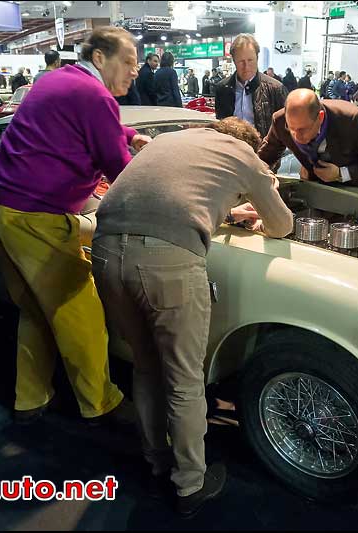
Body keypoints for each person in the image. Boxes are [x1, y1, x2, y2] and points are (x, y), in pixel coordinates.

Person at [92, 117, 292, 516]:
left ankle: (156, 461)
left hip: (104, 251)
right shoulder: (244, 155)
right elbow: (282, 224)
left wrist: (230, 211)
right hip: (166, 262)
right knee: (184, 378)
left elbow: (177, 191)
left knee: (145, 365)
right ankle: (189, 485)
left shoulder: (172, 140)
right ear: (248, 144)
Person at [0, 26, 150, 426]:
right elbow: (118, 169)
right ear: (99, 59)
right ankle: (102, 403)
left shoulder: (58, 80)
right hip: (35, 215)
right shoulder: (96, 96)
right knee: (81, 310)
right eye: (128, 62)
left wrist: (129, 134)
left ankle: (30, 398)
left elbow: (85, 125)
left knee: (37, 311)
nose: (135, 71)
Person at [258, 89, 358, 192]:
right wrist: (266, 174)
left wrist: (341, 174)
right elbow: (263, 159)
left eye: (303, 129)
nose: (297, 136)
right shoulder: (280, 121)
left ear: (320, 117)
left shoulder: (352, 119)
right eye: (291, 129)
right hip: (322, 190)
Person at [214, 34, 287, 139]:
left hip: (263, 152)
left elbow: (285, 129)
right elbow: (220, 124)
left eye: (250, 60)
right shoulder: (222, 88)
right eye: (241, 61)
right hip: (231, 150)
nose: (246, 66)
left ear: (257, 58)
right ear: (234, 61)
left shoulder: (275, 89)